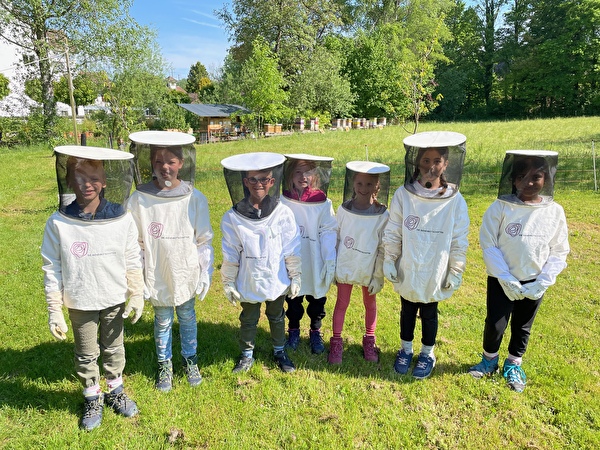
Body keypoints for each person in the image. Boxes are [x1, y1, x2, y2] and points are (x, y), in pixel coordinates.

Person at [42, 145, 143, 431]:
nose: (87, 184)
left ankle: (115, 390)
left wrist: (136, 292)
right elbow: (52, 266)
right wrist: (54, 310)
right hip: (79, 299)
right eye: (80, 177)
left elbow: (132, 256)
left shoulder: (121, 217)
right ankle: (91, 395)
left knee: (114, 347)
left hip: (113, 296)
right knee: (86, 353)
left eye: (94, 177)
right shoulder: (59, 222)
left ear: (105, 181)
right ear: (69, 180)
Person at [468, 150, 569, 392]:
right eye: (522, 177)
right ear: (513, 180)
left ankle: (514, 364)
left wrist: (543, 280)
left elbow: (559, 249)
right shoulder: (500, 208)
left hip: (534, 280)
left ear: (546, 179)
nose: (529, 183)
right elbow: (489, 243)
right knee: (495, 323)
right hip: (501, 280)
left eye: (536, 177)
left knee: (523, 325)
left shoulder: (554, 212)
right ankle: (488, 361)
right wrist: (504, 277)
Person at [127, 131, 214, 393]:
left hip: (185, 270)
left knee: (187, 316)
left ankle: (190, 360)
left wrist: (204, 271)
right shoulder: (139, 200)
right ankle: (165, 365)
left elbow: (203, 239)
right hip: (157, 271)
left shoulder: (195, 198)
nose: (165, 167)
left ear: (182, 163)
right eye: (158, 162)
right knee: (162, 319)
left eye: (171, 161)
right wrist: (139, 278)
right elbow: (136, 243)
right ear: (150, 164)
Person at [383, 131, 469, 379]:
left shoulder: (454, 199)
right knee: (407, 308)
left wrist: (455, 269)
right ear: (416, 163)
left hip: (436, 265)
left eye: (437, 161)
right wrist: (390, 258)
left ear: (446, 164)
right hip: (409, 262)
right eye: (426, 161)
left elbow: (459, 237)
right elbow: (394, 229)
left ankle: (427, 353)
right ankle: (406, 350)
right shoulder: (403, 195)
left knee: (429, 311)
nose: (431, 166)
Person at [220, 152, 301, 373]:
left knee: (276, 315)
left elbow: (291, 247)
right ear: (245, 182)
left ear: (272, 182)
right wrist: (228, 282)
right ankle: (247, 355)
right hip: (249, 278)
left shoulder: (283, 213)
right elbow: (230, 252)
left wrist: (295, 276)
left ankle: (279, 350)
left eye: (264, 179)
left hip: (276, 277)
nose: (258, 184)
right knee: (249, 318)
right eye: (253, 179)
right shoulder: (232, 218)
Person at [328, 161, 390, 365]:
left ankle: (369, 340)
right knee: (341, 303)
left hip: (369, 268)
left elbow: (382, 247)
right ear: (353, 184)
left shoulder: (383, 215)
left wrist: (378, 275)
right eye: (360, 184)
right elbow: (336, 238)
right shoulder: (344, 210)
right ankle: (336, 342)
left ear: (377, 186)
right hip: (347, 265)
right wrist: (333, 266)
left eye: (369, 184)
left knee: (370, 304)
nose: (364, 189)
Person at [280, 154, 337, 354]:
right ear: (289, 175)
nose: (303, 176)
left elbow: (329, 230)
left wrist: (330, 258)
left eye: (308, 172)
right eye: (298, 171)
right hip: (293, 258)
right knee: (293, 299)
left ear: (316, 176)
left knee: (317, 299)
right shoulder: (284, 201)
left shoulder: (322, 201)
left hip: (315, 258)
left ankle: (315, 330)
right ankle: (293, 329)